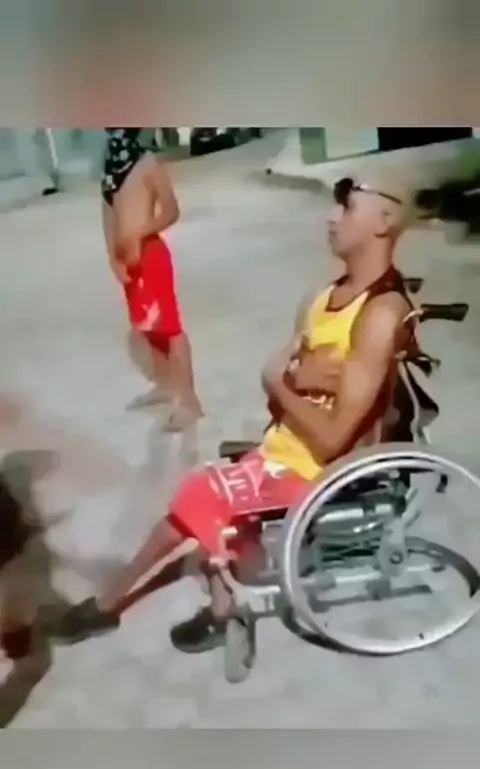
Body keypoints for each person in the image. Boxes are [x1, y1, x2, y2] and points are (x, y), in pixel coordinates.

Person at [59, 166, 419, 651]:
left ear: (384, 221)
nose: (331, 217)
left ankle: (114, 604)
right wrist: (296, 382)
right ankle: (213, 604)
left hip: (317, 470)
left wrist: (282, 382)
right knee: (205, 496)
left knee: (197, 495)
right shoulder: (323, 300)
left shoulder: (380, 314)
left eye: (347, 206)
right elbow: (285, 387)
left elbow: (332, 436)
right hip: (285, 448)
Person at [101, 128, 203, 430]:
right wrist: (113, 258)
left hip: (151, 257)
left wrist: (139, 233)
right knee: (147, 328)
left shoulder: (147, 163)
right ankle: (166, 385)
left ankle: (190, 401)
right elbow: (108, 213)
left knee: (170, 328)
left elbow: (171, 210)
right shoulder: (111, 168)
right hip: (129, 262)